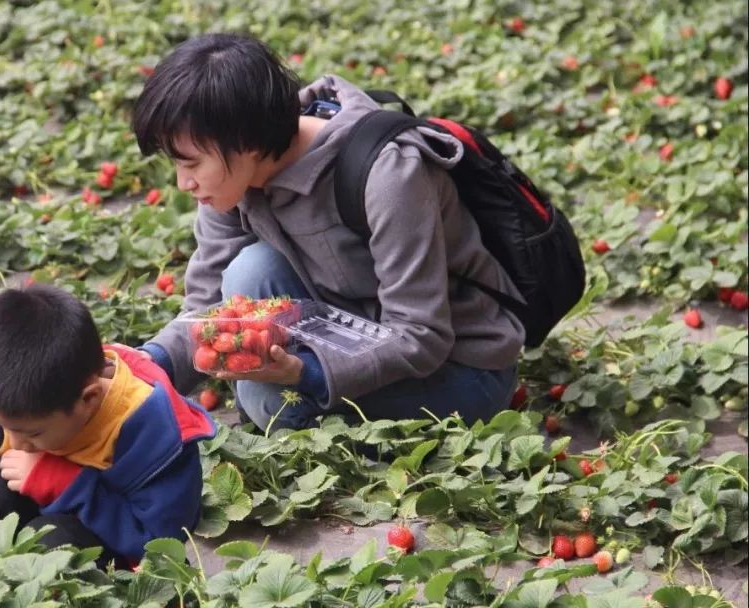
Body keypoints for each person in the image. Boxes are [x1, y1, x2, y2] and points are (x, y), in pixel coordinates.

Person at [133, 33, 524, 432]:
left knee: (271, 402)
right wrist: (147, 365)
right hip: (346, 330)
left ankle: (301, 401)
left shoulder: (388, 174)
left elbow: (422, 336)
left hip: (459, 369)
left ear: (245, 143)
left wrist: (305, 374)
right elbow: (205, 307)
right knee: (250, 271)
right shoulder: (232, 180)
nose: (184, 183)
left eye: (193, 164)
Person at [0, 284, 215, 567]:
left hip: (92, 539)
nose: (16, 443)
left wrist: (65, 484)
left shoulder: (154, 432)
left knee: (54, 543)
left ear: (89, 399)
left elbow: (159, 544)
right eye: (1, 427)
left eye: (31, 434)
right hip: (9, 508)